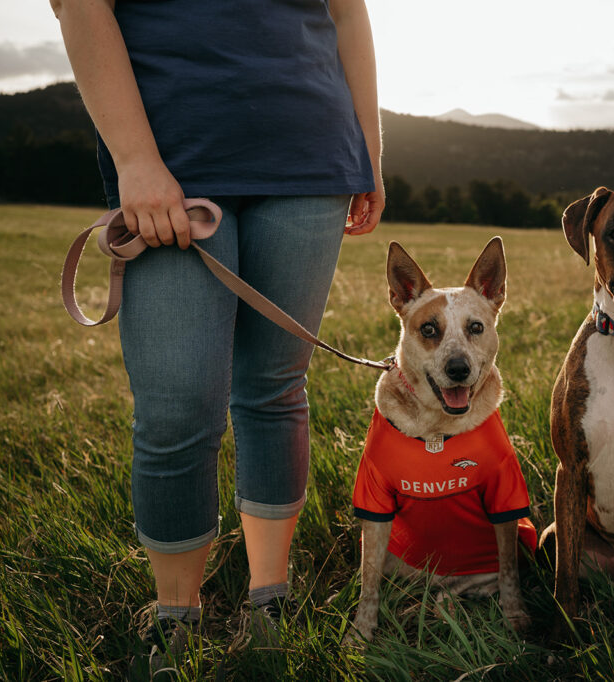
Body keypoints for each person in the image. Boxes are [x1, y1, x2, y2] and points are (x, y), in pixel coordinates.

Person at [51, 0, 384, 669]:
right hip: (171, 162)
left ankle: (271, 597)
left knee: (274, 387)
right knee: (178, 407)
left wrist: (368, 152)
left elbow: (349, 12)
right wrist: (135, 161)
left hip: (309, 157)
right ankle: (176, 617)